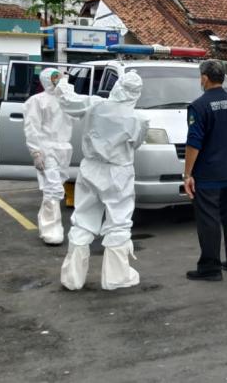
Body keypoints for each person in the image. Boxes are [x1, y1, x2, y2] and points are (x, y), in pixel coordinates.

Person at [57, 71, 148, 291]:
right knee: (118, 222)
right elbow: (135, 144)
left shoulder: (95, 104)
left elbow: (67, 101)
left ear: (117, 85)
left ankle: (72, 278)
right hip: (118, 172)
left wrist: (62, 81)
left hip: (90, 167)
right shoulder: (138, 119)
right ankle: (116, 278)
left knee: (83, 219)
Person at [183, 60, 227, 281]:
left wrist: (187, 174)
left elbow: (194, 143)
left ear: (205, 78)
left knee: (208, 219)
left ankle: (210, 269)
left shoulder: (199, 106)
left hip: (207, 174)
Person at [23, 68, 72, 245]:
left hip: (64, 149)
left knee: (56, 187)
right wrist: (36, 152)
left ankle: (47, 225)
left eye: (58, 77)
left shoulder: (67, 100)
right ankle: (52, 230)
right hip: (47, 149)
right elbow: (31, 128)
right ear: (45, 80)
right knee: (53, 188)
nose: (56, 80)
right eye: (53, 77)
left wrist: (67, 89)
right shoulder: (36, 101)